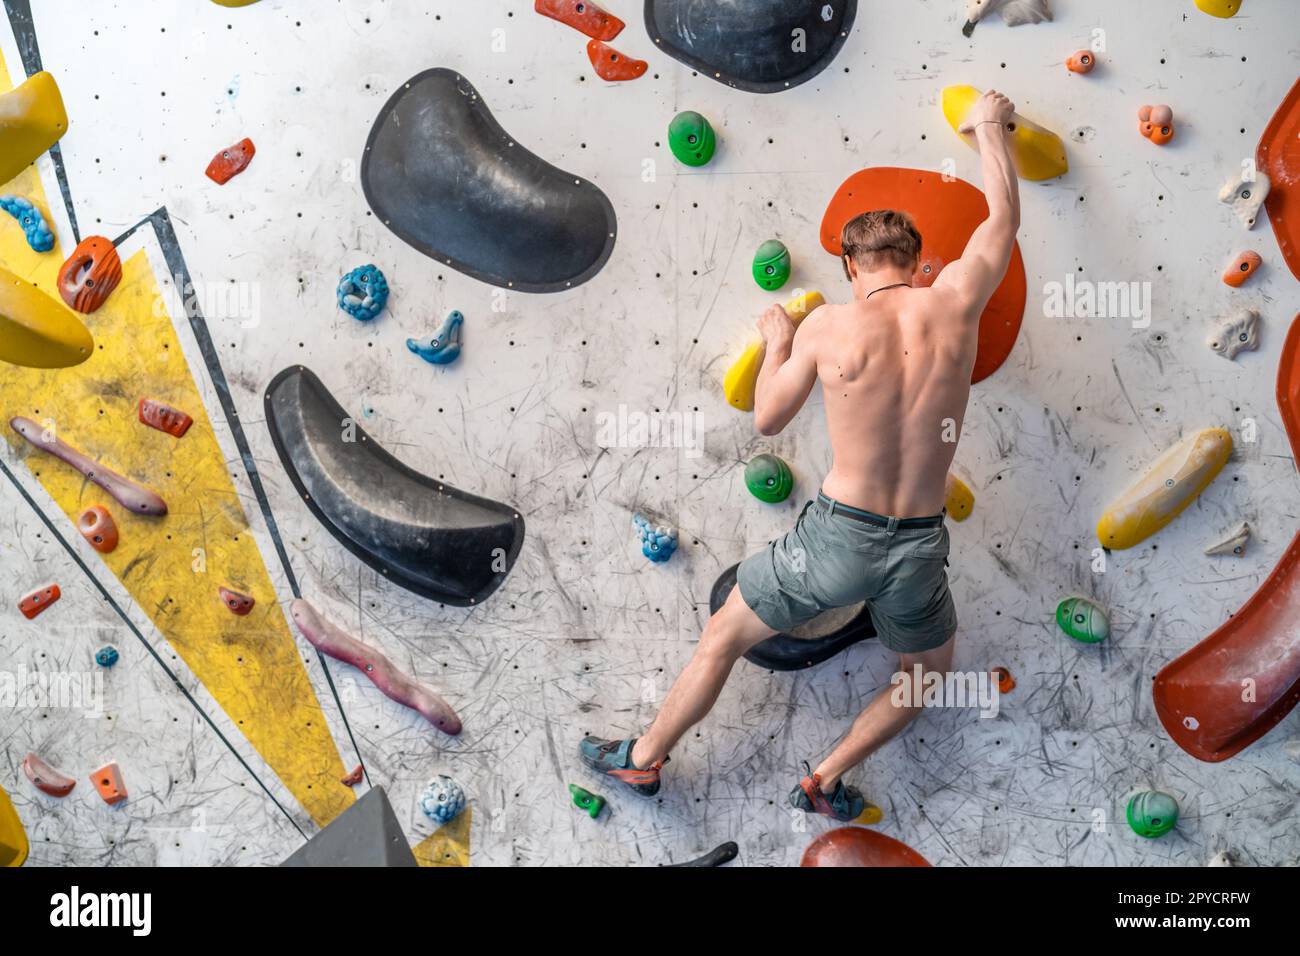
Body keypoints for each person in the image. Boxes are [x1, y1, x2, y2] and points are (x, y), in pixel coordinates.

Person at [580, 91, 1023, 821]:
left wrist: (781, 339)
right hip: (917, 546)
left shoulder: (827, 328)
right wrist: (988, 128)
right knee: (924, 675)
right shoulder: (955, 304)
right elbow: (1002, 220)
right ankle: (824, 777)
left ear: (851, 264)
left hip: (835, 538)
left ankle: (642, 760)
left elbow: (767, 417)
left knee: (723, 634)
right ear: (915, 263)